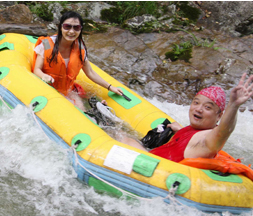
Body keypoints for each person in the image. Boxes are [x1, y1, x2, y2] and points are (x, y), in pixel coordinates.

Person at [121, 73, 253, 162]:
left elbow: (224, 132)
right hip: (153, 160)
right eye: (196, 102)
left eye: (207, 107)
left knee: (124, 139)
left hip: (155, 171)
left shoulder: (208, 140)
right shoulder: (195, 131)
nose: (198, 109)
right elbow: (190, 141)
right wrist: (180, 130)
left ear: (219, 116)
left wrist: (233, 106)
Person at [32, 11, 123, 111]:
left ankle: (99, 110)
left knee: (83, 111)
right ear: (60, 27)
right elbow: (37, 69)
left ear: (80, 30)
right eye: (67, 26)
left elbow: (90, 72)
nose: (71, 31)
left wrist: (110, 87)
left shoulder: (79, 47)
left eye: (76, 28)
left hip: (67, 91)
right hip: (47, 89)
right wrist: (44, 76)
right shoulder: (46, 44)